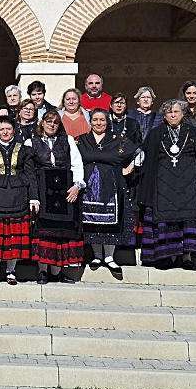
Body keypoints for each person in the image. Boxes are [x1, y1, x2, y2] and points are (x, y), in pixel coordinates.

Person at [136, 99, 196, 269]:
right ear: (164, 116)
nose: (173, 115)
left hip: (190, 183)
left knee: (188, 218)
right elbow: (148, 161)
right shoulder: (155, 133)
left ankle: (187, 256)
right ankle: (167, 256)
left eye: (176, 112)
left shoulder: (194, 133)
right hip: (162, 184)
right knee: (165, 219)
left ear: (183, 114)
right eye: (169, 112)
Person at [0, 116, 38, 285]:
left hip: (19, 196)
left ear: (14, 130)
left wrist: (34, 197)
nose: (5, 132)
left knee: (13, 236)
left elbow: (30, 174)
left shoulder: (24, 150)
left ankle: (11, 271)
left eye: (8, 129)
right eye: (2, 129)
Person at [26, 110, 85, 284]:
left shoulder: (67, 140)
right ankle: (43, 271)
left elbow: (77, 163)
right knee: (44, 232)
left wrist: (77, 185)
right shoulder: (31, 142)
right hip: (43, 191)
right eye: (48, 121)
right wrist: (33, 196)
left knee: (62, 232)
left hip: (65, 191)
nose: (52, 125)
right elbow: (28, 170)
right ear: (42, 123)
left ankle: (58, 271)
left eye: (55, 122)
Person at [77, 109, 137, 278]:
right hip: (89, 186)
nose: (98, 123)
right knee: (93, 220)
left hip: (112, 184)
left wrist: (129, 168)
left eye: (102, 120)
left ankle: (109, 257)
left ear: (107, 121)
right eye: (95, 120)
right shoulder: (82, 140)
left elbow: (139, 153)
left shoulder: (117, 139)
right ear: (90, 122)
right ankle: (96, 256)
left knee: (110, 220)